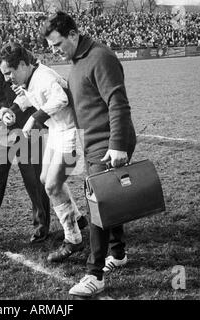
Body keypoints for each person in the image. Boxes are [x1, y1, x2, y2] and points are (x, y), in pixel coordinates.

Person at [42, 11, 137, 297]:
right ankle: (118, 254)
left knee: (97, 204)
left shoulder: (100, 57)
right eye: (50, 47)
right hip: (93, 142)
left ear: (73, 34)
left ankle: (94, 274)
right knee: (110, 199)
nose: (55, 51)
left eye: (58, 43)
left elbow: (118, 103)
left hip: (107, 143)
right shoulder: (78, 61)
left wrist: (117, 144)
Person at [0, 42, 88, 263]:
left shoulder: (44, 77)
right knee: (45, 178)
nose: (7, 78)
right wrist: (13, 110)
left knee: (51, 186)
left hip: (70, 132)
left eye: (9, 72)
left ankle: (73, 239)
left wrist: (35, 119)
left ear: (22, 65)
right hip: (57, 131)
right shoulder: (31, 77)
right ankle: (77, 218)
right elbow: (30, 96)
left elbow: (61, 99)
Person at [0, 31, 50, 256]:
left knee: (34, 178)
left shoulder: (23, 57)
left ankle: (41, 225)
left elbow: (40, 87)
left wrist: (23, 94)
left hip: (27, 127)